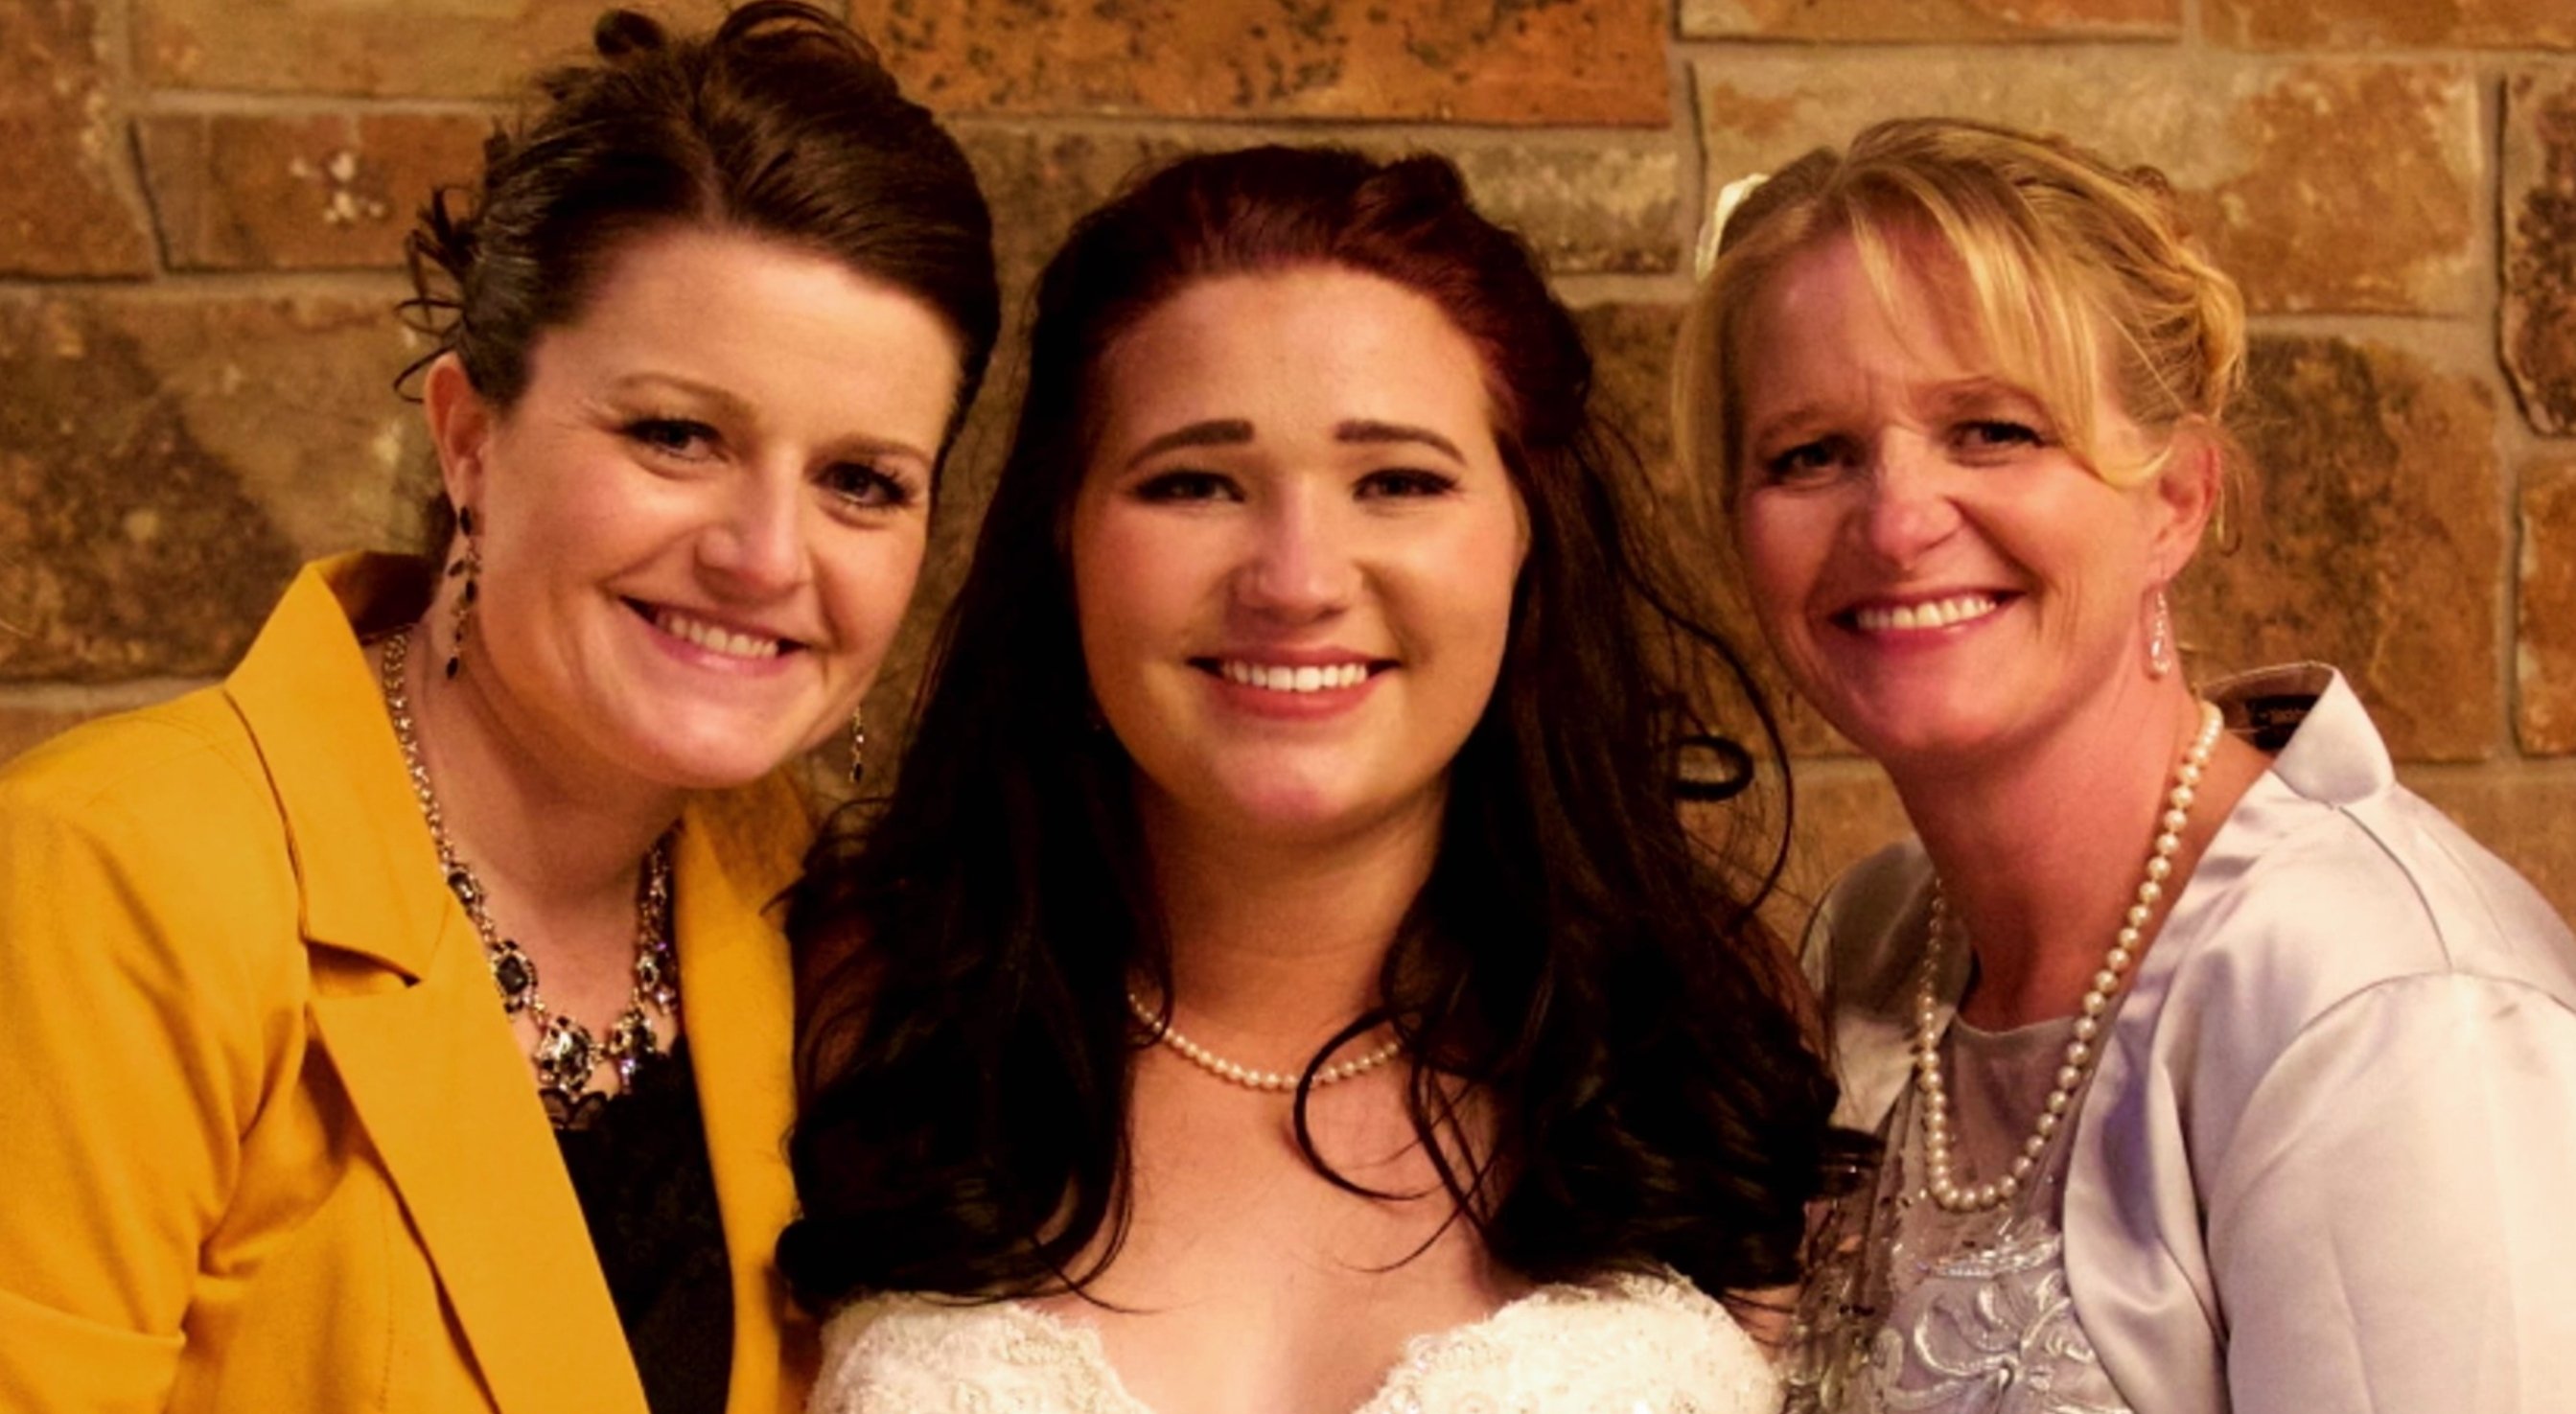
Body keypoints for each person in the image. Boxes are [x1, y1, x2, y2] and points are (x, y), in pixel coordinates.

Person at [0, 7, 997, 1412]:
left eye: (862, 481)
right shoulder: (108, 882)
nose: (769, 556)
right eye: (676, 435)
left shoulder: (817, 927)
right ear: (471, 439)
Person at [778, 145, 1851, 1412]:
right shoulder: (858, 1013)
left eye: (1396, 481)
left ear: (1526, 533)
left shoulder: (1708, 1048)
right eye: (1193, 483)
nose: (1295, 579)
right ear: (1061, 535)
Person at [1675, 115, 2576, 1414]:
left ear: (2178, 500)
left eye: (1993, 431)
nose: (1898, 519)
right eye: (1811, 456)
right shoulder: (1874, 943)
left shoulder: (2391, 1016)